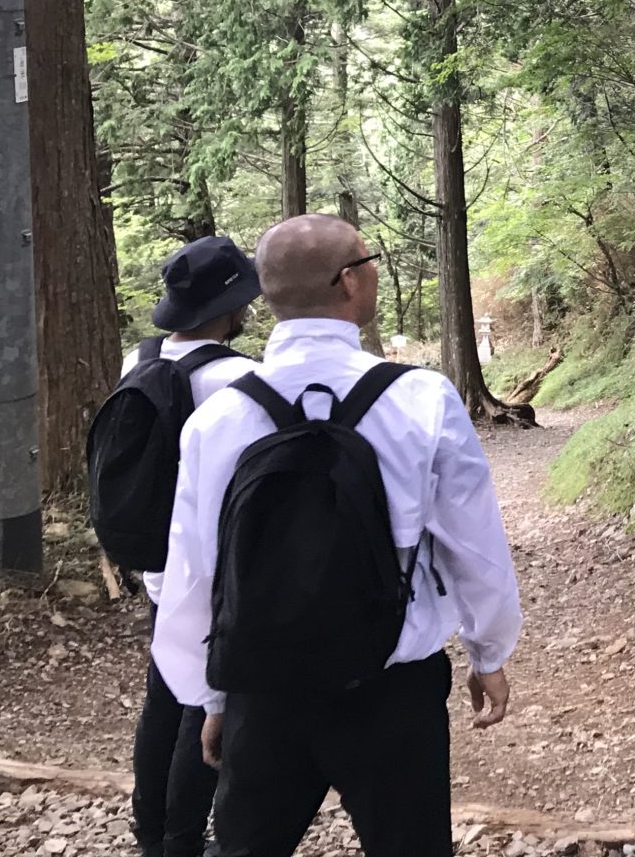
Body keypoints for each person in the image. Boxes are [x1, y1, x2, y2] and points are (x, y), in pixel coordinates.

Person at [152, 214, 523, 857]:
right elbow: (473, 543)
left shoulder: (219, 416)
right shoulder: (420, 398)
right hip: (391, 685)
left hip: (263, 689)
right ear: (350, 281)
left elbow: (193, 569)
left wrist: (208, 697)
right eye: (369, 260)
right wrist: (487, 652)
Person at [120, 236, 262, 857]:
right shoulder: (240, 378)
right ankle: (181, 838)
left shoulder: (139, 358)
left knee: (163, 694)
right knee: (204, 704)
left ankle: (149, 828)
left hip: (156, 557)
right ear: (230, 306)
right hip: (210, 561)